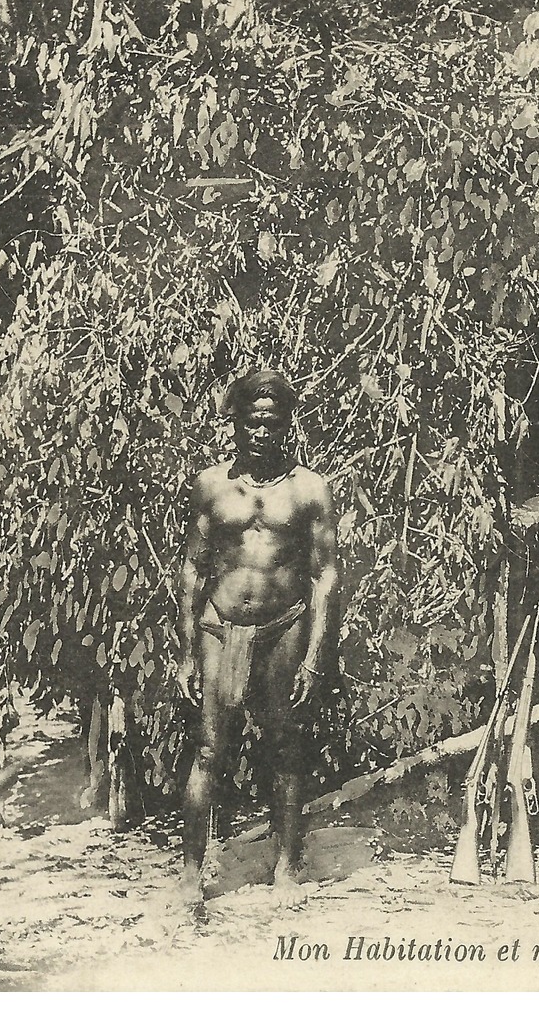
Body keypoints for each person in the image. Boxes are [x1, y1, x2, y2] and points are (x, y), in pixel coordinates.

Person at [176, 369, 337, 914]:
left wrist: (314, 656)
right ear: (238, 425)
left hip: (283, 627)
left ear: (287, 425)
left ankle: (288, 866)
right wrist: (185, 649)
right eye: (252, 423)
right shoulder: (210, 485)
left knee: (285, 747)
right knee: (208, 748)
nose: (262, 433)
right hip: (220, 629)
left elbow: (325, 575)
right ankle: (191, 873)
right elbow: (193, 570)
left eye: (272, 423)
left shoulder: (309, 489)